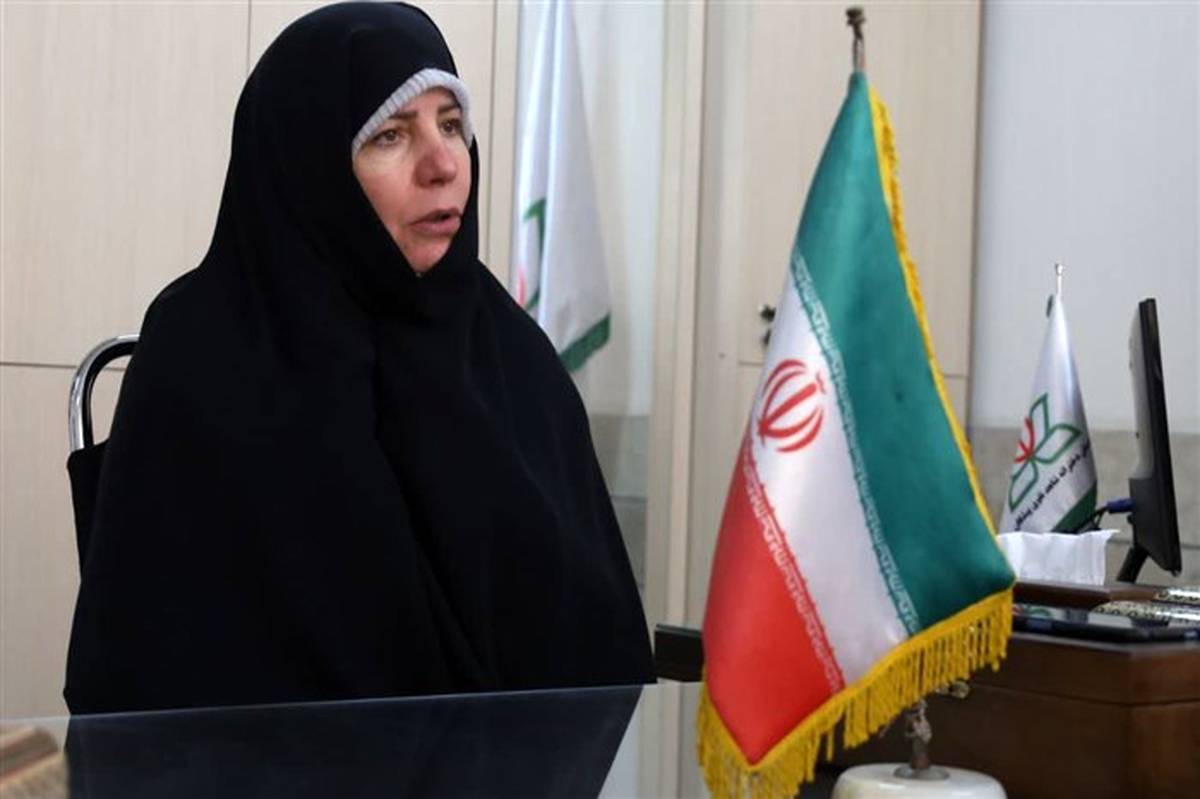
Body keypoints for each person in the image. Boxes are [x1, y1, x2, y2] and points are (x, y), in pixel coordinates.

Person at [64, 1, 654, 714]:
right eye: (390, 135)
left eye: (452, 125)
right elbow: (154, 677)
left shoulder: (509, 353)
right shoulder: (204, 353)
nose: (444, 164)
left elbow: (601, 646)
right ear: (309, 165)